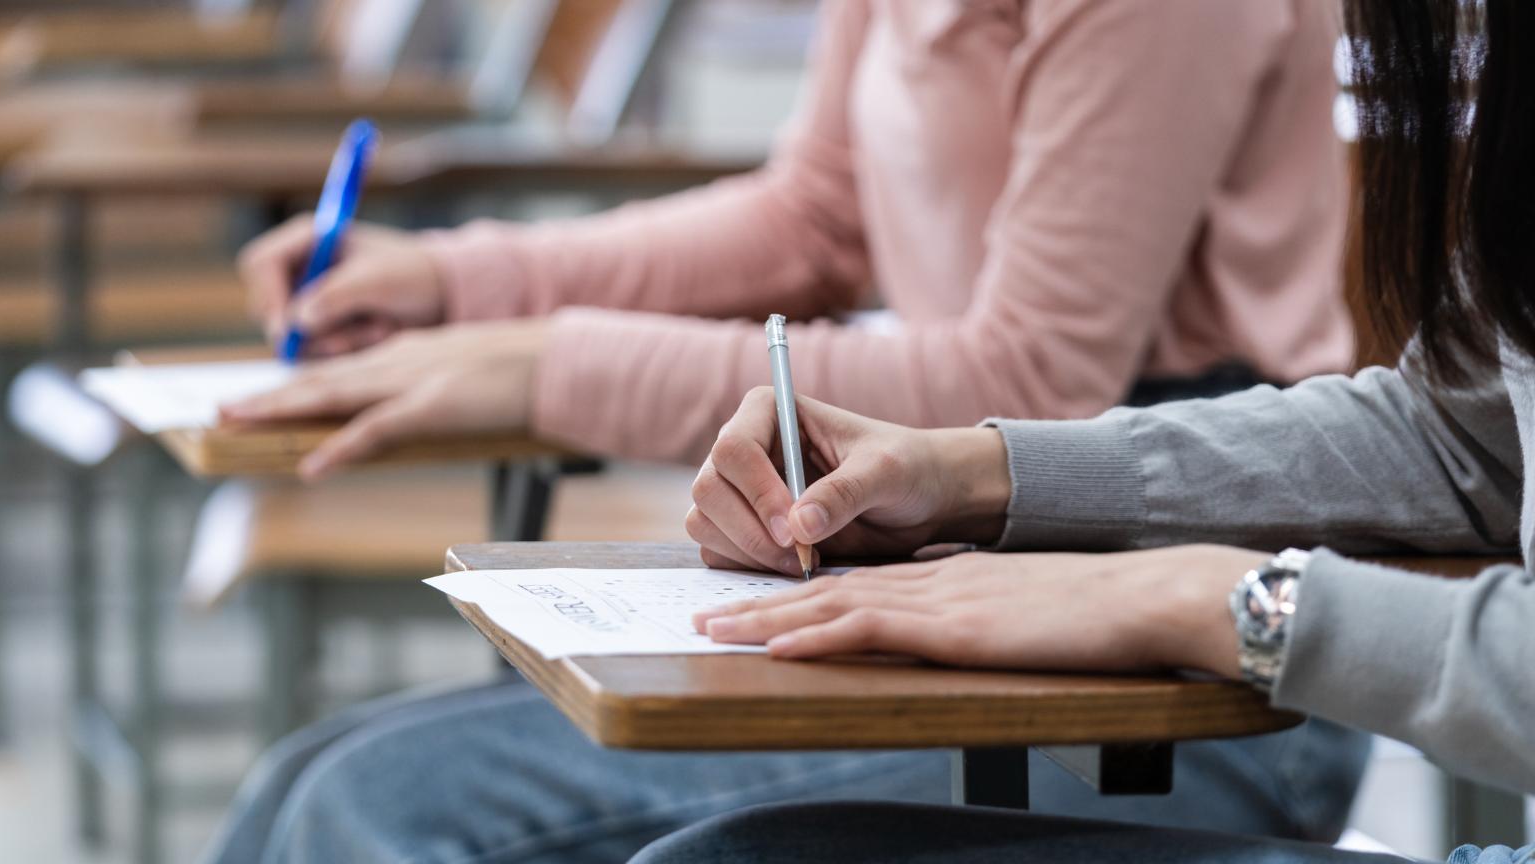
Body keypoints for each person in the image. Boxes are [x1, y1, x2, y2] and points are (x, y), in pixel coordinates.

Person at [201, 2, 1369, 862]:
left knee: (376, 809)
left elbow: (1031, 375)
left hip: (1195, 671)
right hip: (981, 580)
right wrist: (462, 286)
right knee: (310, 778)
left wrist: (542, 370)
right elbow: (814, 215)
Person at [633, 0, 1535, 860]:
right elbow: (1461, 437)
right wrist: (973, 474)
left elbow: (1033, 363)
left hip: (1252, 703)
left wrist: (1195, 597)